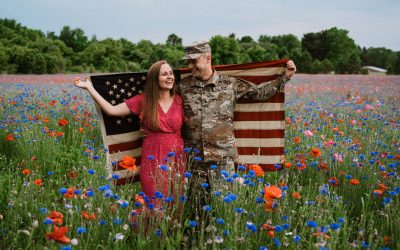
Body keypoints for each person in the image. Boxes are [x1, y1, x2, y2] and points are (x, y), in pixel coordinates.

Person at [178, 41, 297, 215]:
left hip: (222, 161)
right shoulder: (182, 87)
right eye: (187, 62)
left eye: (193, 61)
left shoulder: (229, 84)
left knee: (224, 209)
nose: (190, 66)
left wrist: (285, 76)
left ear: (207, 58)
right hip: (194, 163)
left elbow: (258, 93)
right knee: (196, 212)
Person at [74, 60, 185, 208]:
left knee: (176, 203)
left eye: (171, 73)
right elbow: (111, 110)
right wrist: (89, 88)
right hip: (152, 156)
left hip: (177, 156)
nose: (170, 76)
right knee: (154, 203)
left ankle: (174, 231)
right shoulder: (143, 100)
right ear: (154, 78)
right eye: (164, 74)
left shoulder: (181, 100)